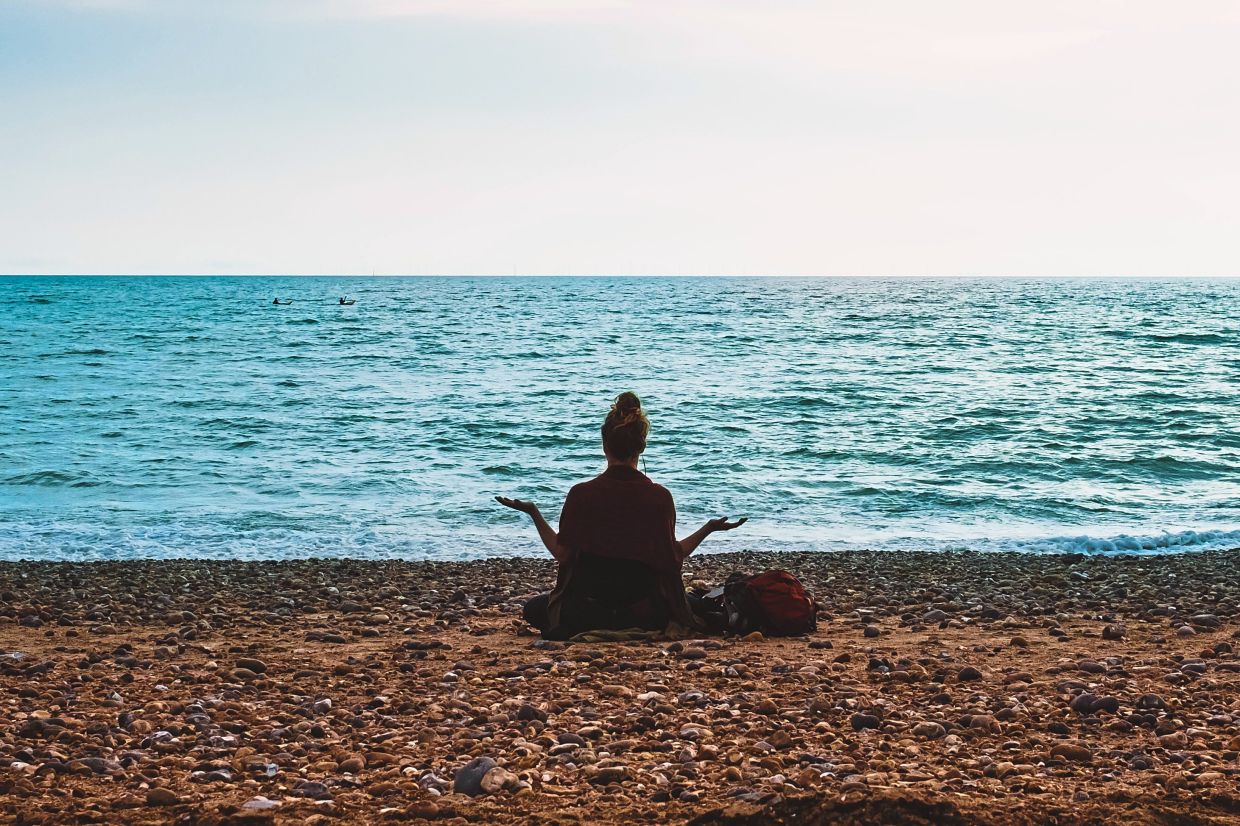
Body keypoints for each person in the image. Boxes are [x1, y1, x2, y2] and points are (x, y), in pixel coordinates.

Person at [496, 392, 745, 639]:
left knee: (534, 609)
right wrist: (707, 528)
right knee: (694, 602)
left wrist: (534, 513)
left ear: (604, 445)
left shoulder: (581, 494)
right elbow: (672, 559)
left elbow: (563, 555)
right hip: (644, 613)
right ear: (642, 446)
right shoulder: (659, 496)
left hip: (587, 610)